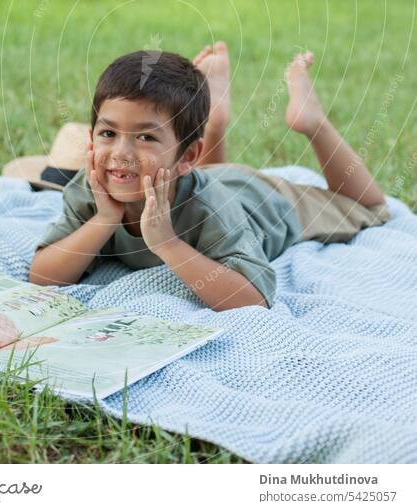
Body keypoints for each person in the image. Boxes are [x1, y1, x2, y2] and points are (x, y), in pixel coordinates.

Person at [28, 45, 390, 310]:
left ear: (188, 156)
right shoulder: (91, 190)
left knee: (370, 206)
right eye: (108, 133)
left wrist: (168, 244)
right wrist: (105, 220)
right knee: (186, 175)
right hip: (194, 176)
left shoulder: (212, 208)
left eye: (145, 137)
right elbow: (42, 277)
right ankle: (214, 121)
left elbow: (253, 299)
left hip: (266, 200)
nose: (120, 153)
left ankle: (311, 122)